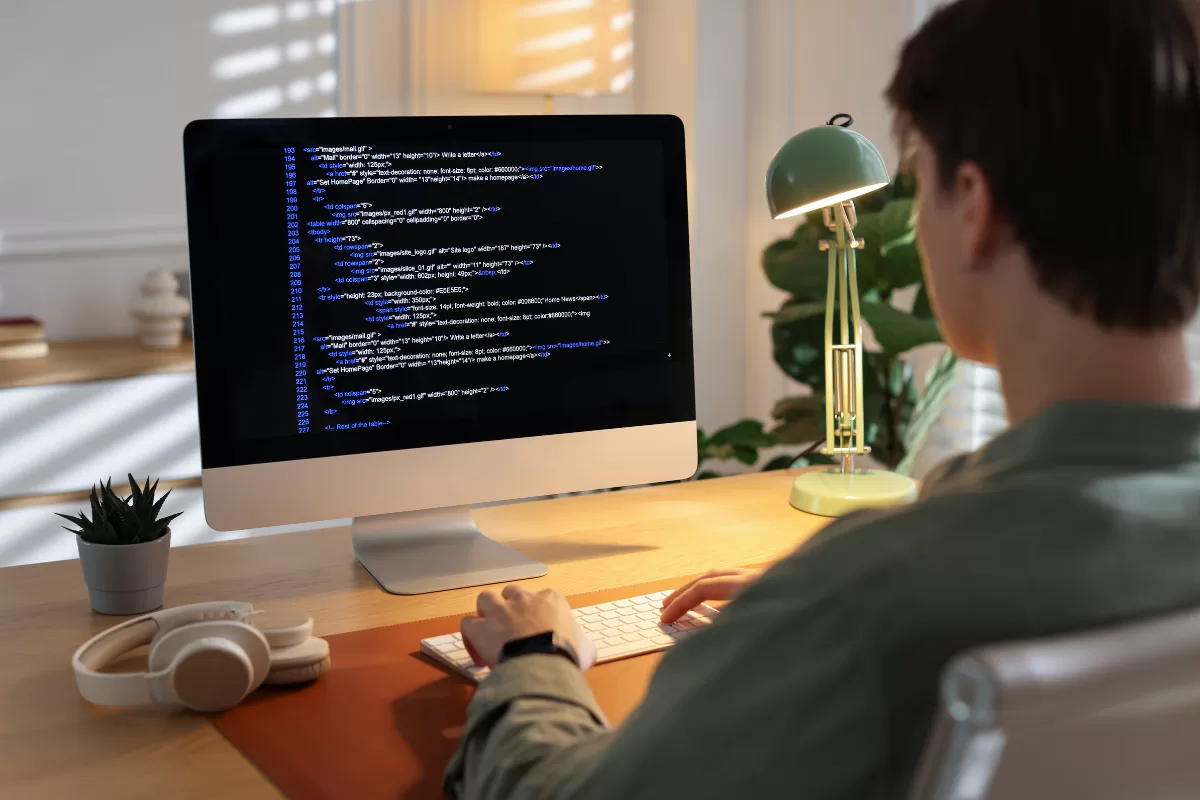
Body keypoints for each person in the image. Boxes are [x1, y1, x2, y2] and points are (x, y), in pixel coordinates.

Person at [444, 0, 1200, 796]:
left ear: (975, 208)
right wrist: (803, 624)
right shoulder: (889, 594)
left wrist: (533, 659)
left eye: (918, 181)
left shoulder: (867, 599)